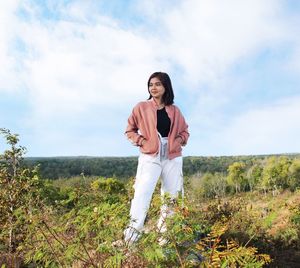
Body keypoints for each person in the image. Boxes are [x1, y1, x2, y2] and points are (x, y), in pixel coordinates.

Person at [123, 71, 189, 245]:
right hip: (150, 156)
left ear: (166, 86)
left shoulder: (175, 110)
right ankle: (131, 241)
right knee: (142, 195)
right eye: (151, 84)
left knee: (172, 197)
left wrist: (178, 141)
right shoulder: (141, 107)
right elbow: (129, 130)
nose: (154, 87)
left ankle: (165, 241)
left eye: (158, 84)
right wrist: (141, 141)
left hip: (172, 157)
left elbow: (185, 131)